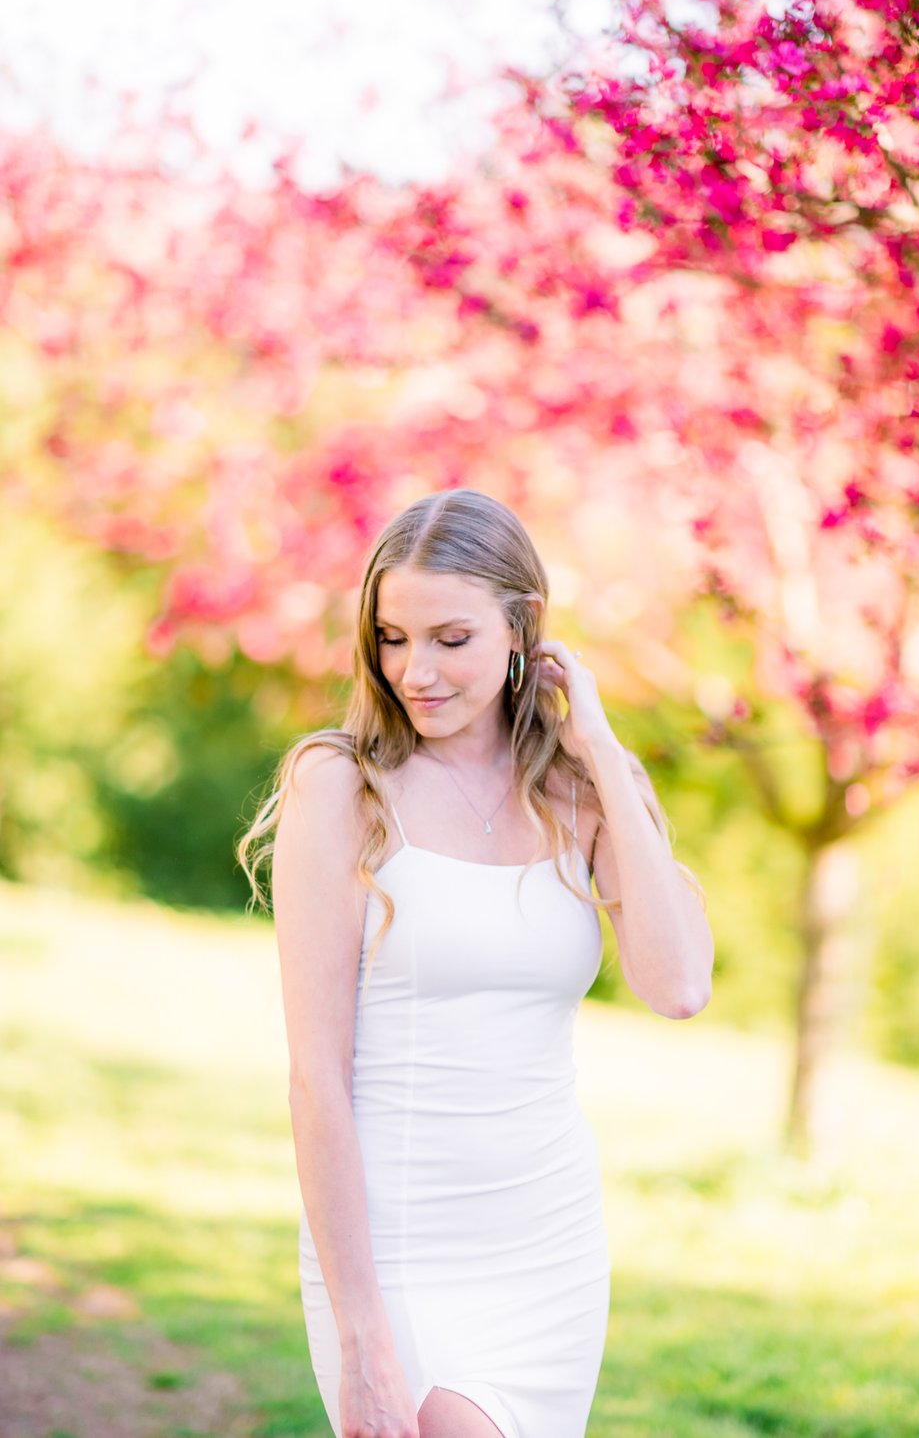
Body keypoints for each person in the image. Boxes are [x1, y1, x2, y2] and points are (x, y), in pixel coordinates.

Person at [239, 488, 713, 1438]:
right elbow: (316, 1080)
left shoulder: (587, 793)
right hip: (398, 1249)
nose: (417, 671)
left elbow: (679, 986)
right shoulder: (341, 786)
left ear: (522, 630)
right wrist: (363, 1331)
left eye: (451, 639)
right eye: (393, 637)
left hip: (548, 1242)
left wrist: (605, 752)